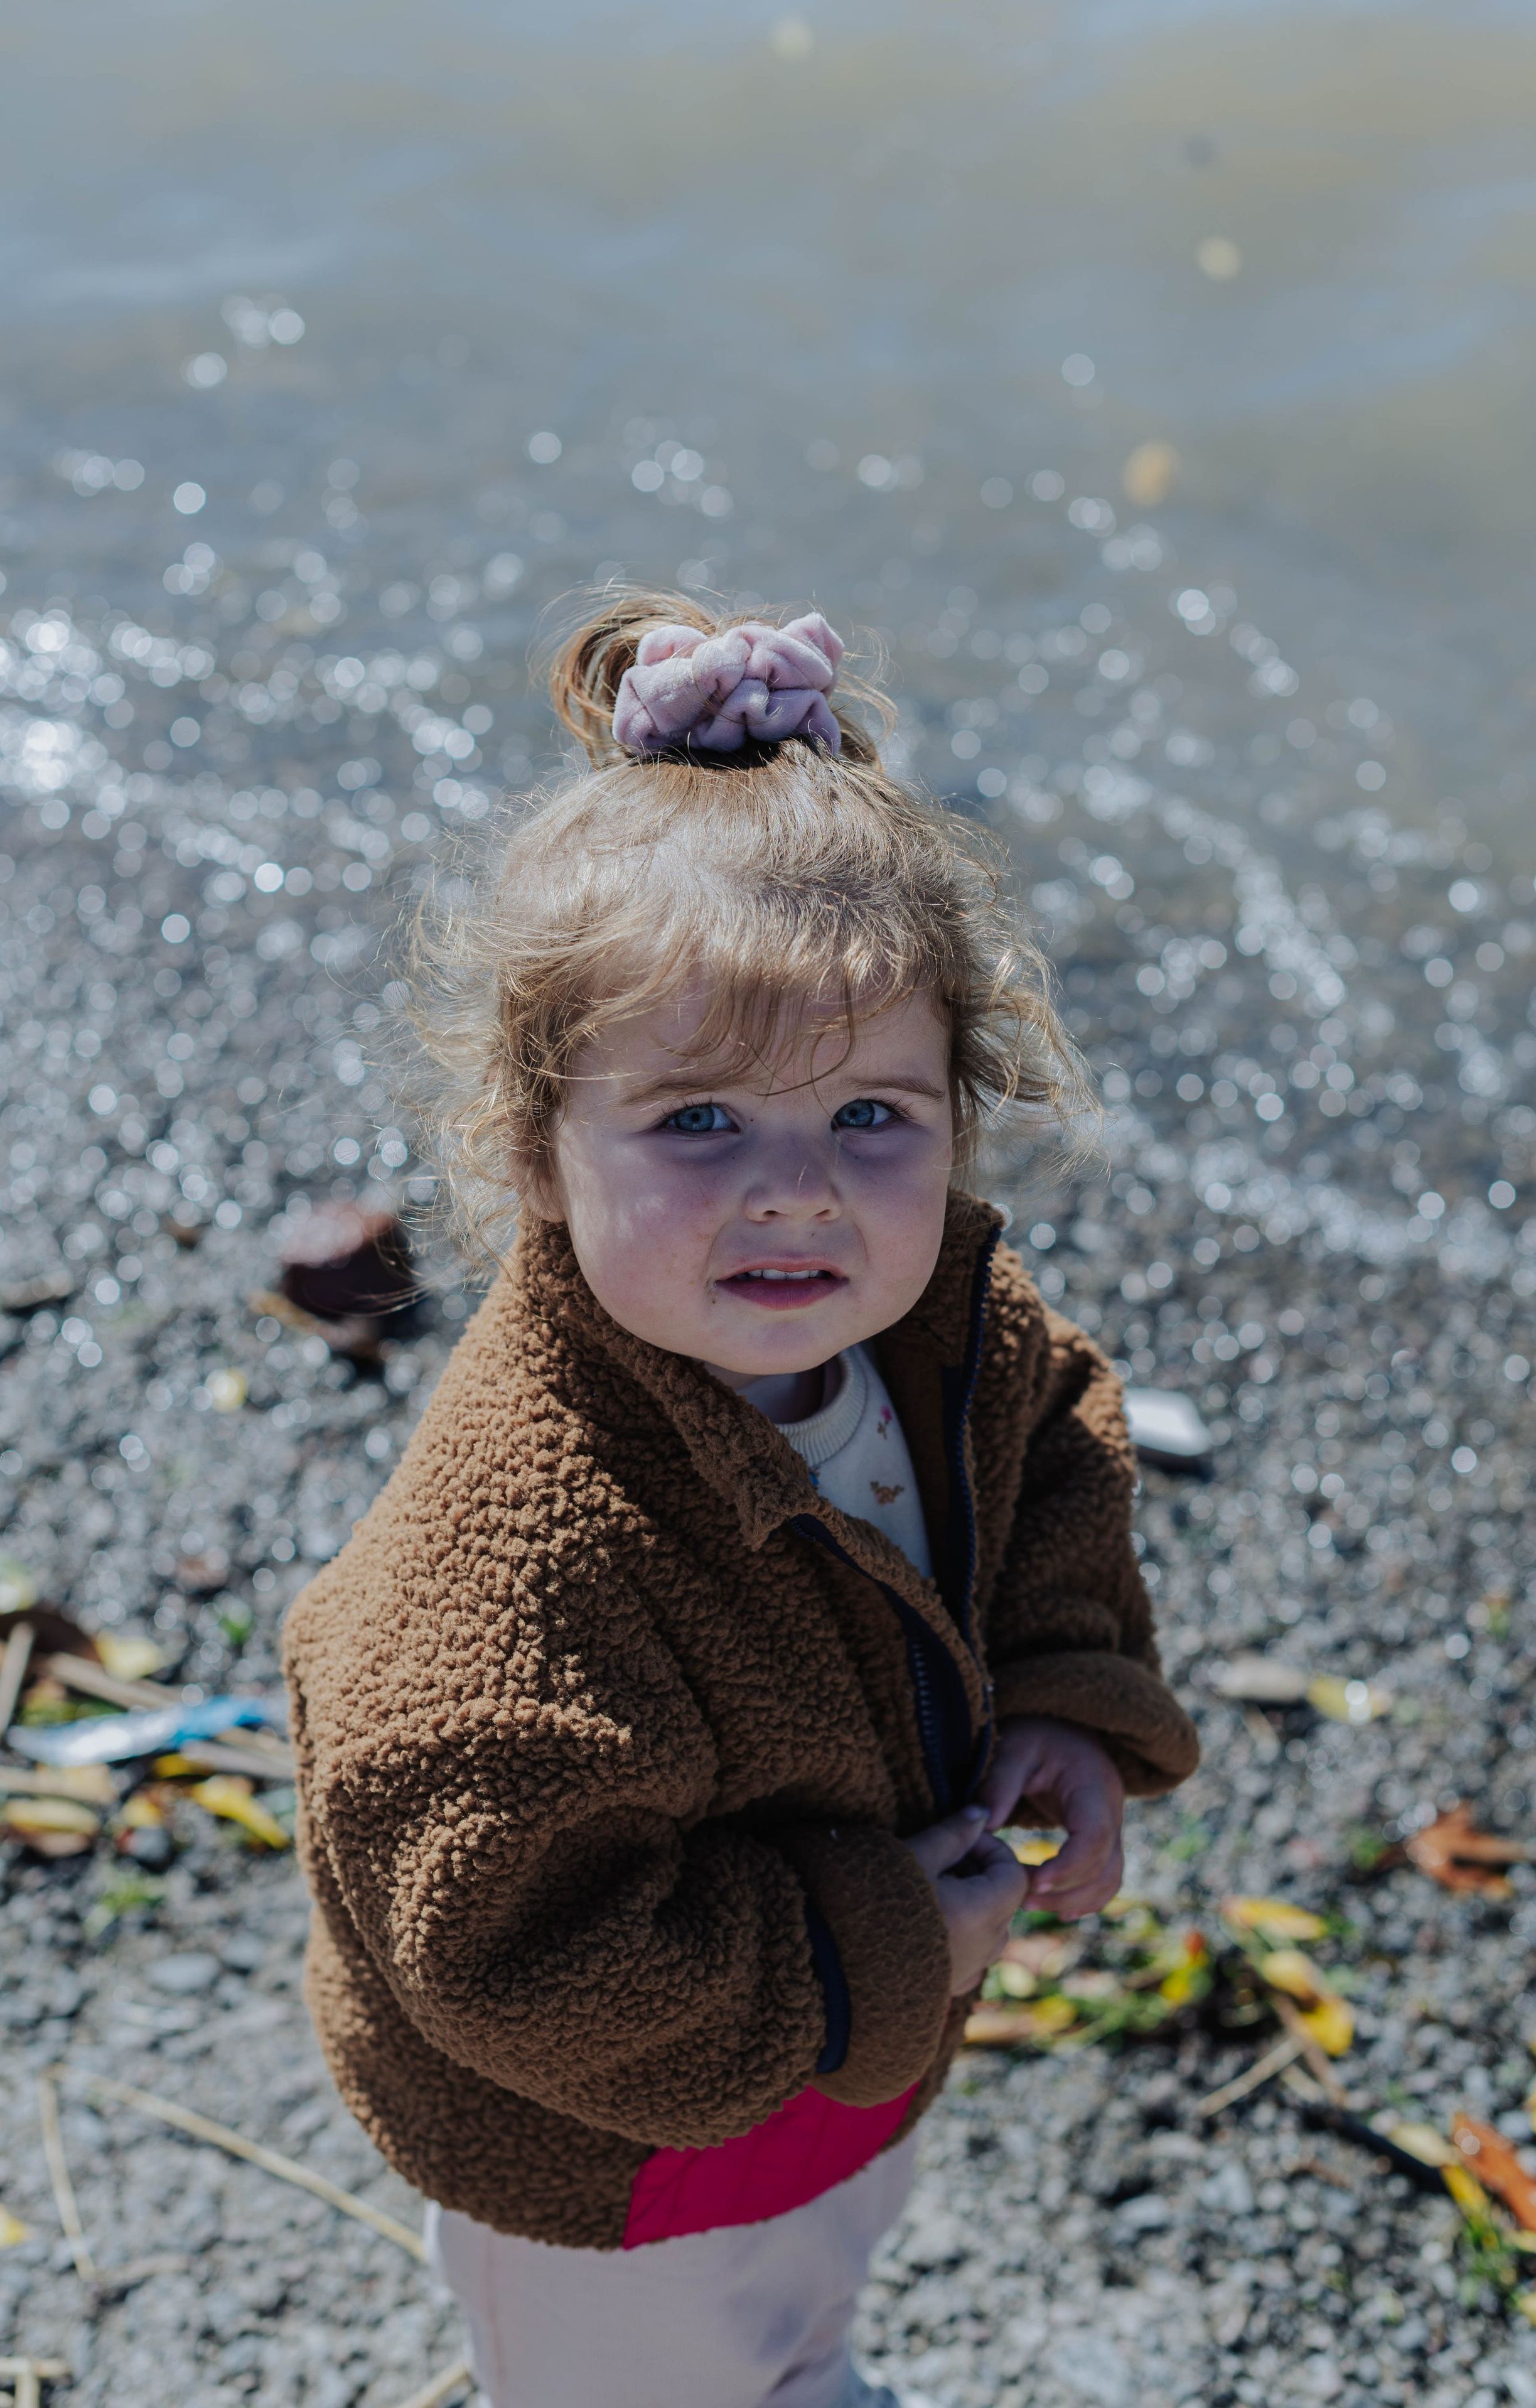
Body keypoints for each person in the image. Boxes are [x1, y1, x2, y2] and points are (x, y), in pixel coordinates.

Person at [282, 595, 1200, 2408]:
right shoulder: (514, 1572)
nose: (798, 1191)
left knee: (804, 2285)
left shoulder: (954, 1332)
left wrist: (1070, 1710)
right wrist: (878, 1949)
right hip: (615, 2151)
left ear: (962, 1110)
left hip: (839, 2046)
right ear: (539, 1148)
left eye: (874, 1116)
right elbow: (509, 1948)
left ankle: (802, 2365)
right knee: (647, 2375)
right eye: (699, 1122)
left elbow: (1059, 1466)